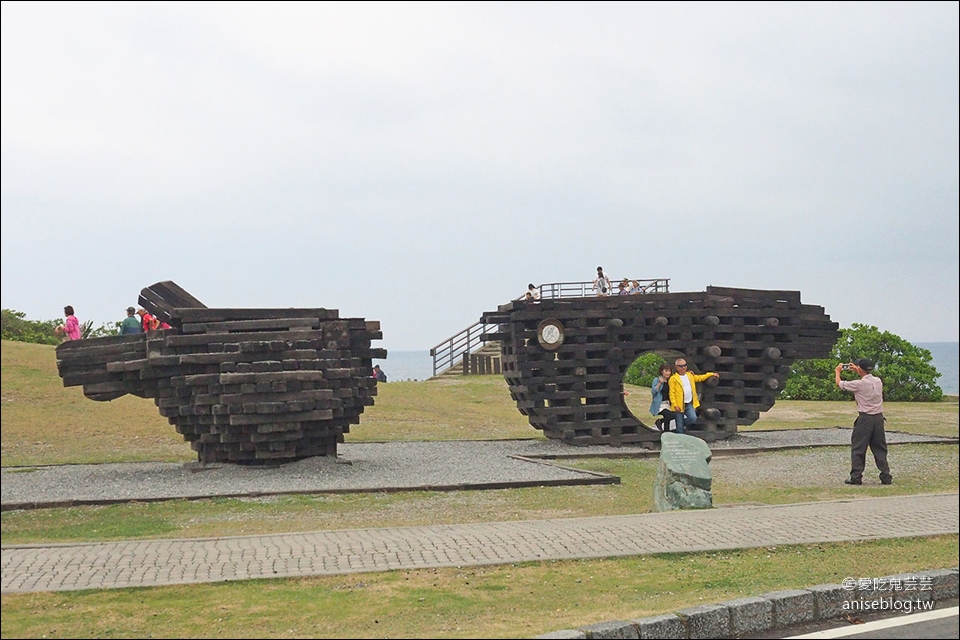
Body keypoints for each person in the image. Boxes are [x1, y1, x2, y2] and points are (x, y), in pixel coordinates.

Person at [835, 358, 892, 486]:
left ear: (860, 369)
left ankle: (856, 476)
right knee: (880, 447)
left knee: (858, 448)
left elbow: (839, 383)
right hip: (878, 418)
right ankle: (885, 475)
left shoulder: (858, 384)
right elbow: (866, 377)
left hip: (865, 419)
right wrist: (858, 369)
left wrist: (838, 371)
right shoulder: (878, 381)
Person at [668, 358, 719, 434]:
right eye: (681, 366)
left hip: (689, 403)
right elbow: (671, 393)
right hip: (679, 405)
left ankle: (680, 425)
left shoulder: (690, 375)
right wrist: (675, 405)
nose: (683, 367)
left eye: (685, 365)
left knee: (693, 418)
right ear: (676, 367)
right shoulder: (673, 379)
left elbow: (700, 378)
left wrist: (711, 374)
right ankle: (680, 437)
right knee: (680, 429)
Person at [649, 363, 677, 431]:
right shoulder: (657, 379)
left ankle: (666, 433)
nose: (668, 373)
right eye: (666, 371)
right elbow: (653, 391)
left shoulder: (670, 380)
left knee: (668, 420)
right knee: (671, 415)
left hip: (668, 404)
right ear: (662, 371)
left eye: (669, 371)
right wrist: (659, 383)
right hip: (660, 404)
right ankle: (660, 422)